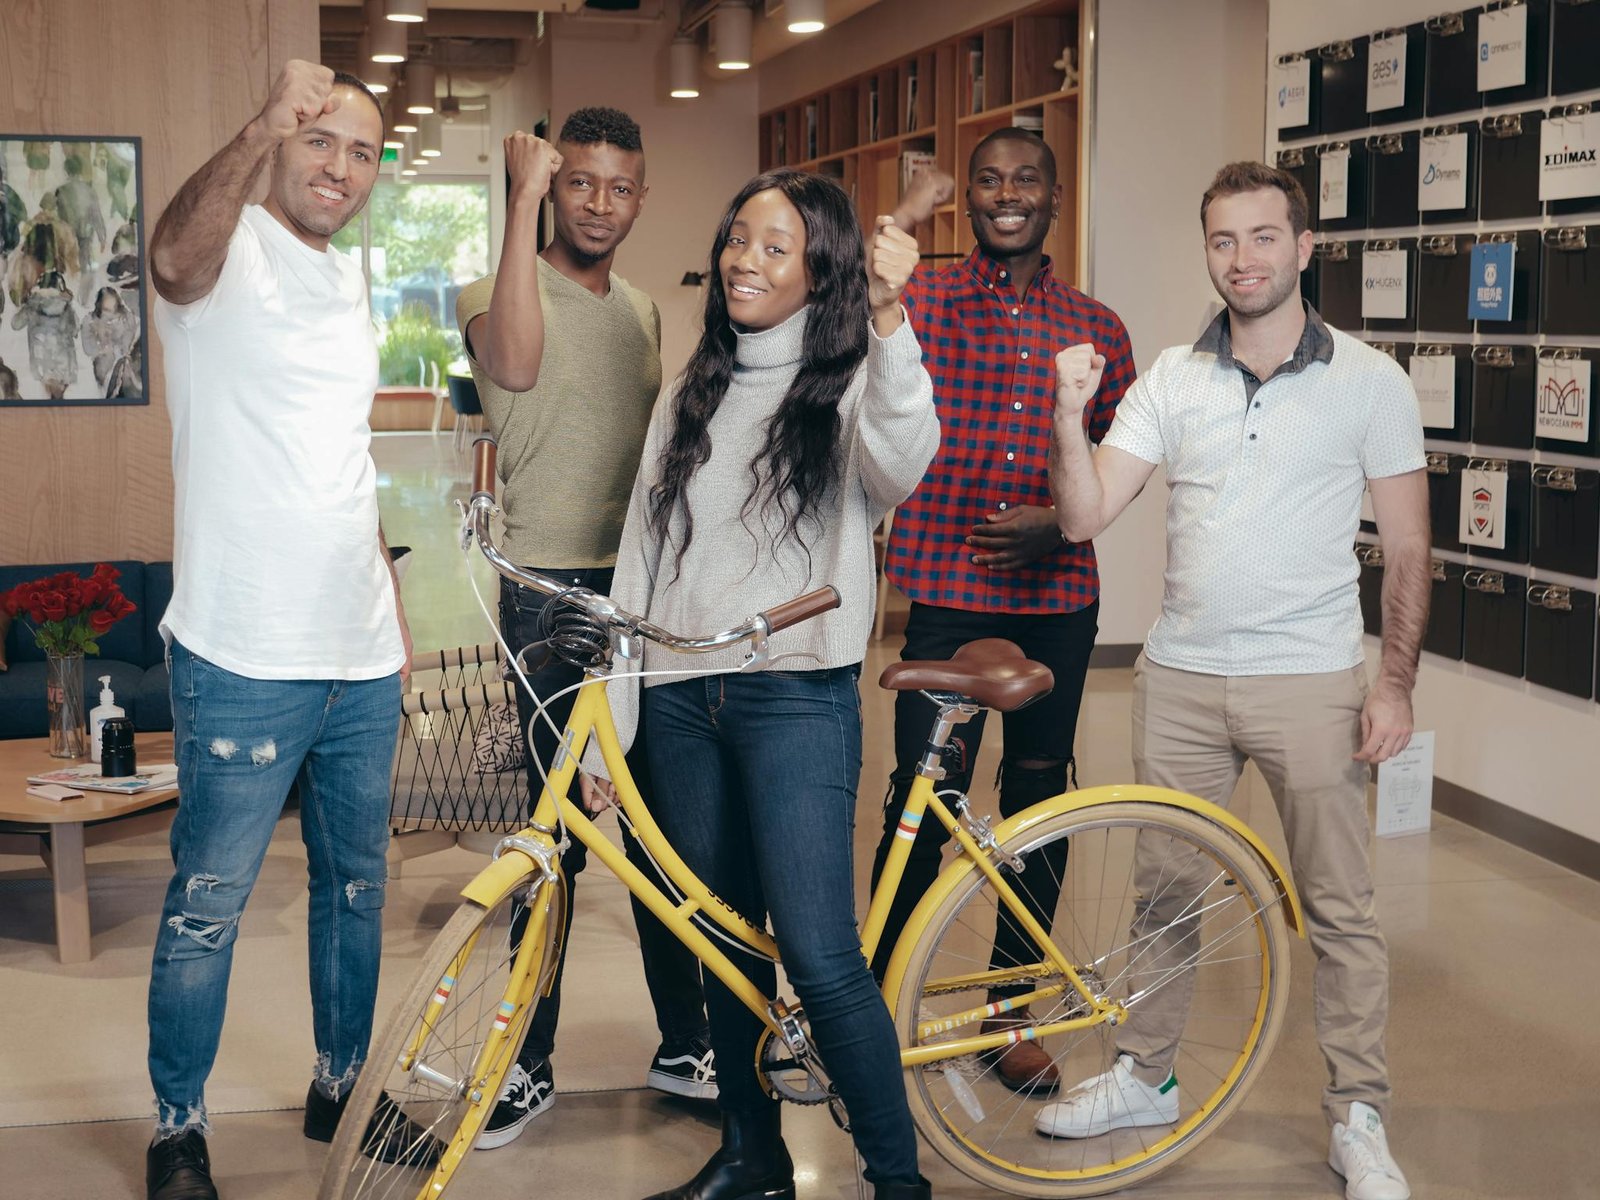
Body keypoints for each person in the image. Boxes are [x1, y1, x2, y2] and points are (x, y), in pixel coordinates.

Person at [1042, 161, 1426, 1200]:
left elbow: (1406, 548)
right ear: (1205, 252)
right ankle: (1147, 1075)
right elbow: (1082, 518)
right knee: (1164, 893)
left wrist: (1391, 685)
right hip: (1177, 679)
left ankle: (1357, 1115)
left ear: (1304, 248)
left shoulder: (1370, 381)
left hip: (1310, 680)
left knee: (1338, 908)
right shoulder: (1171, 377)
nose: (1242, 259)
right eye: (1223, 240)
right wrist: (1068, 413)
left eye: (1263, 237)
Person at [594, 170, 939, 1200]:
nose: (745, 258)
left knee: (820, 957)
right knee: (723, 944)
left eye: (775, 245)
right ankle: (752, 1158)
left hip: (793, 697)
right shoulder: (691, 387)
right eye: (738, 236)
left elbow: (904, 459)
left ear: (820, 268)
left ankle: (898, 1184)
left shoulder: (845, 389)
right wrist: (619, 715)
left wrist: (889, 316)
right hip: (678, 699)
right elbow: (638, 564)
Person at [143, 61, 424, 1200]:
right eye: (322, 142)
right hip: (241, 647)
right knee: (208, 906)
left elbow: (339, 464)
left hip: (360, 653)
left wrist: (392, 622)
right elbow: (166, 258)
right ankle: (175, 1126)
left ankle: (342, 1084)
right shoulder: (220, 256)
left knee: (356, 890)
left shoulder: (350, 278)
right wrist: (260, 119)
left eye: (361, 153)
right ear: (282, 143)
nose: (340, 169)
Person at [454, 106, 714, 1148]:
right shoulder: (493, 291)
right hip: (548, 595)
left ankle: (684, 1037)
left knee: (661, 823)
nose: (599, 204)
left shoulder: (647, 312)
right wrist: (516, 199)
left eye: (619, 187)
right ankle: (525, 1061)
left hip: (643, 589)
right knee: (553, 834)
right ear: (553, 187)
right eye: (579, 183)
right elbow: (513, 371)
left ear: (640, 196)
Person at [866, 128, 1136, 1096]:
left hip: (1057, 599)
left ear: (1053, 196)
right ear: (969, 200)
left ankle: (1007, 1011)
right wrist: (904, 214)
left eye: (1025, 179)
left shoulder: (1096, 328)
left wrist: (1058, 527)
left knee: (1038, 806)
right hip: (943, 586)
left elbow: (1115, 470)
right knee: (920, 800)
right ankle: (879, 1003)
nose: (1006, 194)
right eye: (988, 181)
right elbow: (859, 314)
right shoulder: (924, 301)